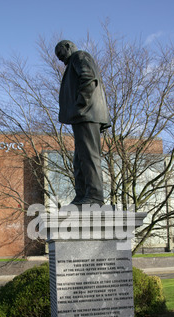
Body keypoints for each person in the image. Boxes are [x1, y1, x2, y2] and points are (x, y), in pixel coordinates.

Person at [55, 40, 111, 206]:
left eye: (60, 52)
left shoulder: (79, 56)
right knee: (79, 158)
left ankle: (94, 196)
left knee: (88, 155)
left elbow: (88, 77)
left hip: (87, 113)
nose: (60, 58)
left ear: (68, 47)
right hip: (83, 115)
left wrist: (80, 104)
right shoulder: (73, 60)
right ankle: (82, 195)